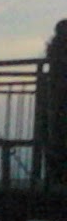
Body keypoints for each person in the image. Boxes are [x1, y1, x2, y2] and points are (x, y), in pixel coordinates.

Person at [42, 20, 67, 184]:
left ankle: (56, 176)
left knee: (55, 136)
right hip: (60, 98)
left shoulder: (54, 48)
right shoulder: (59, 49)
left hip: (55, 99)